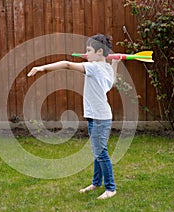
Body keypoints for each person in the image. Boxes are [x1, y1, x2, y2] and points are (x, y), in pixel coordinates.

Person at [27, 34, 121, 200]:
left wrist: (42, 67)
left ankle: (111, 188)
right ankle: (97, 183)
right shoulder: (104, 67)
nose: (86, 53)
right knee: (97, 151)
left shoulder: (94, 67)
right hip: (99, 116)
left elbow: (67, 64)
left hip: (99, 117)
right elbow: (111, 83)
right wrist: (115, 64)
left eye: (89, 50)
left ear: (100, 52)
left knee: (101, 153)